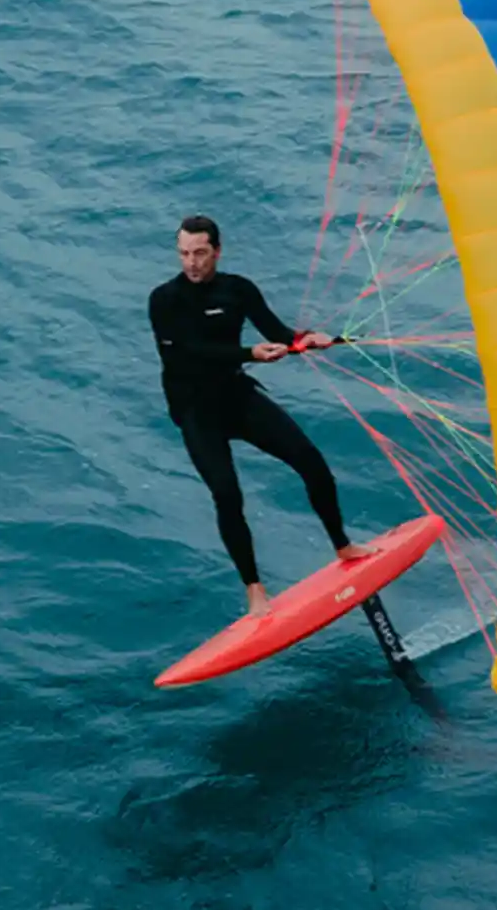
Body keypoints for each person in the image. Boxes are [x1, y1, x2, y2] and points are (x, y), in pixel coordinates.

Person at [148, 214, 372, 617]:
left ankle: (343, 545)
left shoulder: (238, 290)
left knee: (312, 463)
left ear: (217, 250)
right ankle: (255, 592)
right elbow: (183, 352)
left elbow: (276, 330)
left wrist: (305, 339)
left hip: (236, 396)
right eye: (184, 253)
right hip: (196, 411)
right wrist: (248, 353)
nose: (192, 262)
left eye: (200, 253)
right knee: (227, 494)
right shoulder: (164, 299)